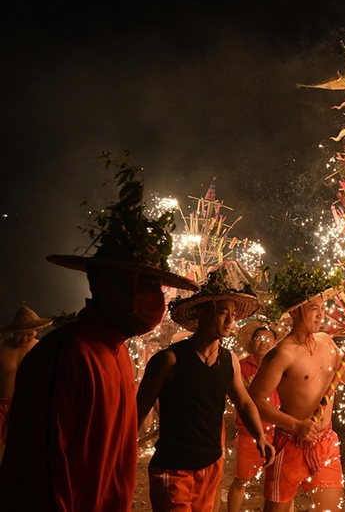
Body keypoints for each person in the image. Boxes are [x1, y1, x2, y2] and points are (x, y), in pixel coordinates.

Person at [0, 155, 199, 511]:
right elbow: (40, 481)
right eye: (146, 284)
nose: (157, 299)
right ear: (104, 285)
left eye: (159, 286)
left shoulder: (118, 351)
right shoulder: (67, 355)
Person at [137, 269, 274, 512]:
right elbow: (138, 410)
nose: (231, 320)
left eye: (233, 314)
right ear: (201, 313)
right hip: (173, 466)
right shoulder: (170, 360)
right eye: (224, 313)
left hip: (211, 464)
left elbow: (244, 402)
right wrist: (122, 452)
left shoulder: (229, 360)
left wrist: (260, 437)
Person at [249, 254, 345, 512]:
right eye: (315, 308)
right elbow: (254, 399)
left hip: (326, 442)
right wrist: (295, 424)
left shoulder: (327, 341)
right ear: (295, 311)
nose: (321, 314)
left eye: (323, 308)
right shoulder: (283, 353)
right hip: (290, 443)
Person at [228, 321, 281, 512]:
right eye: (259, 338)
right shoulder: (241, 365)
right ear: (252, 341)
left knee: (280, 485)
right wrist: (245, 389)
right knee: (242, 481)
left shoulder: (281, 365)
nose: (264, 342)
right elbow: (231, 396)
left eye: (268, 338)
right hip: (248, 432)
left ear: (275, 342)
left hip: (278, 432)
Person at [0, 305, 52, 457]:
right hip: (1, 403)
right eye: (19, 334)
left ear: (37, 331)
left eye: (28, 334)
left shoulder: (41, 349)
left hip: (26, 406)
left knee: (18, 452)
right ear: (13, 332)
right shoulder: (2, 347)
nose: (23, 339)